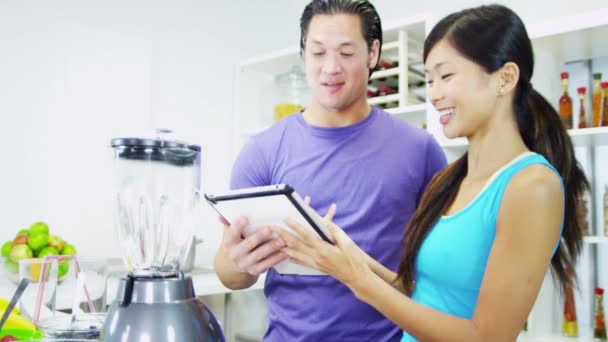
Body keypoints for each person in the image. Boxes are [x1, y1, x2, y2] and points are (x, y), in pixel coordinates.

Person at [272, 4, 590, 342]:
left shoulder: (532, 186)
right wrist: (350, 257)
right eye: (430, 79)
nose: (435, 94)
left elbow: (487, 337)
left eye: (447, 76)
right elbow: (419, 293)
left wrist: (357, 280)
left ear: (505, 78)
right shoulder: (450, 179)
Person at [213, 0, 446, 341]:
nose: (330, 68)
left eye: (347, 53)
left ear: (373, 53)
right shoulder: (261, 152)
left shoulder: (420, 150)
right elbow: (229, 274)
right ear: (304, 52)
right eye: (318, 52)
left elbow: (438, 273)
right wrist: (239, 261)